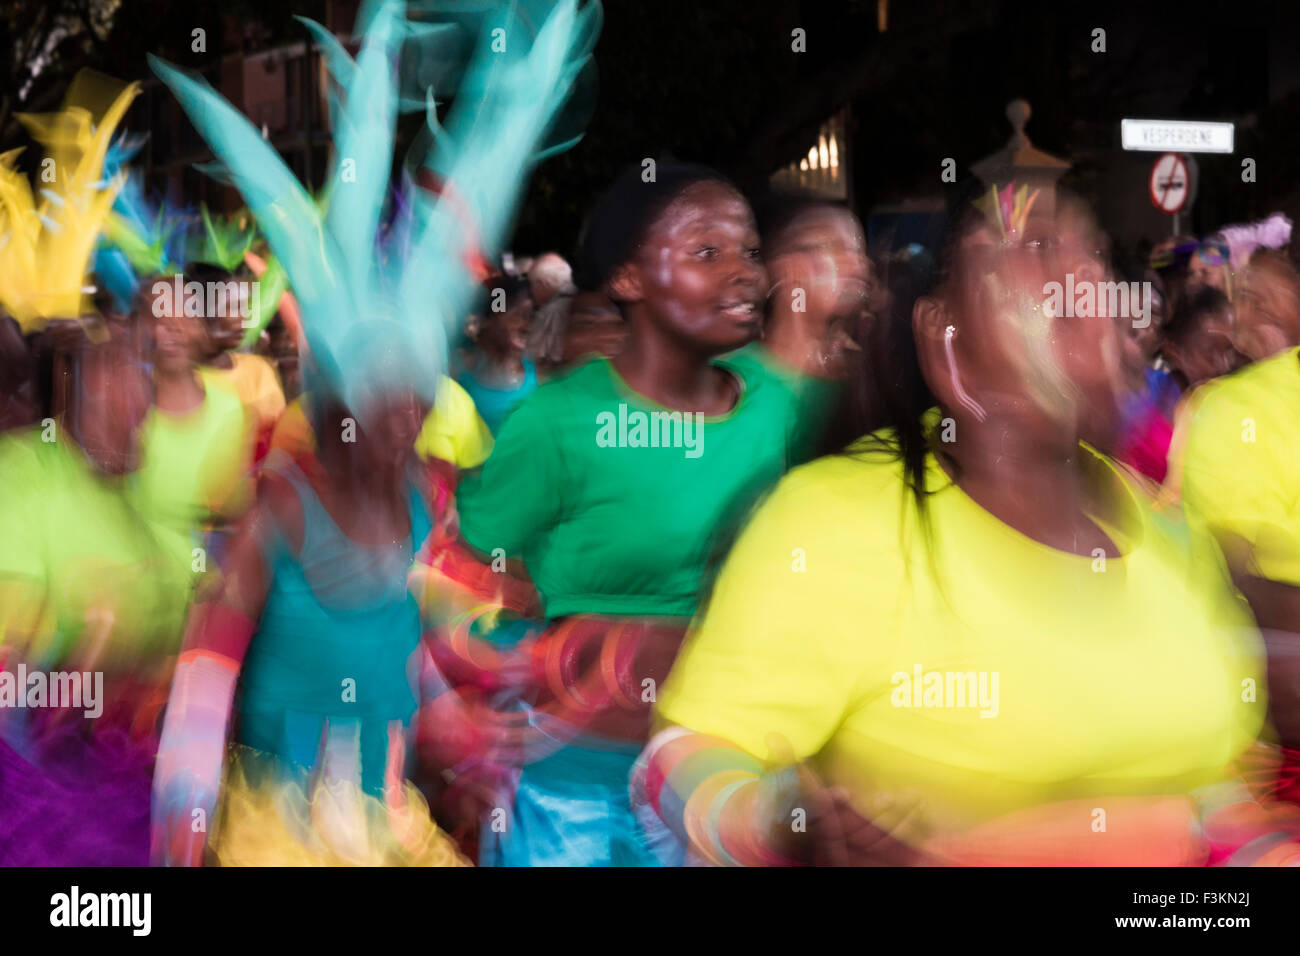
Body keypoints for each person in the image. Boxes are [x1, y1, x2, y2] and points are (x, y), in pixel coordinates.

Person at [637, 185, 1299, 866]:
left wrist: (1253, 852)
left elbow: (1214, 791)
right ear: (947, 343)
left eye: (1092, 253)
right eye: (1037, 249)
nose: (1084, 275)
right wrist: (777, 824)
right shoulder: (837, 524)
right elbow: (679, 760)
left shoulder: (1169, 538)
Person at [420, 161, 799, 866]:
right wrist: (478, 704)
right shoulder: (559, 424)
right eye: (705, 253)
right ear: (627, 279)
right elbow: (452, 573)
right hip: (575, 802)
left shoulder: (781, 407)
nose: (745, 273)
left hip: (727, 788)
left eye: (749, 251)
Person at [151, 385, 468, 866]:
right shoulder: (278, 504)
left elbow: (397, 624)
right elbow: (207, 668)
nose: (408, 409)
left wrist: (450, 711)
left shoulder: (419, 495)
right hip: (279, 827)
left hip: (386, 817)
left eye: (418, 387)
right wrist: (186, 809)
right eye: (388, 384)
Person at [0, 329, 190, 865]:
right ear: (71, 392)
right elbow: (20, 685)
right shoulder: (21, 478)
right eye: (111, 371)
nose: (137, 398)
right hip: (39, 791)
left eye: (141, 375)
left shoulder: (159, 523)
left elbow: (190, 664)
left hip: (127, 790)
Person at [729, 194, 871, 465]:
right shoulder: (729, 384)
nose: (859, 265)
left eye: (859, 251)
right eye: (836, 249)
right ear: (788, 267)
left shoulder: (867, 381)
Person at [130, 280, 255, 583]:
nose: (174, 327)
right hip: (135, 599)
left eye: (184, 314)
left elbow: (236, 518)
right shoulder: (128, 410)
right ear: (142, 332)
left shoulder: (232, 410)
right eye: (160, 318)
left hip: (203, 597)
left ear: (199, 326)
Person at [454, 275, 539, 435]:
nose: (527, 325)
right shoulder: (458, 370)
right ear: (490, 319)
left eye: (531, 317)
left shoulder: (539, 372)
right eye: (519, 315)